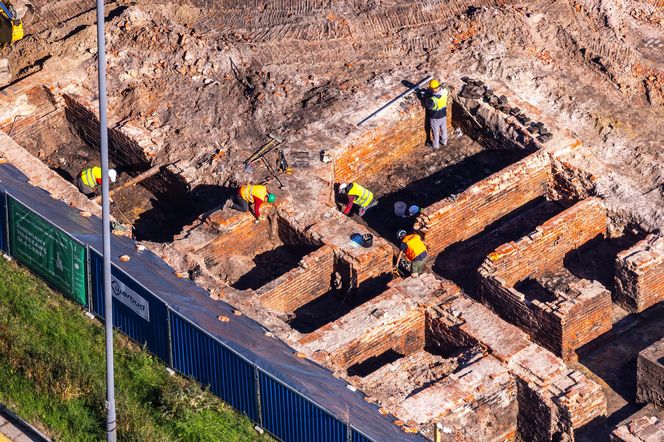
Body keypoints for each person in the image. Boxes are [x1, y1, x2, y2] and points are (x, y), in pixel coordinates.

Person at [425, 79, 450, 150]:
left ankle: (436, 145)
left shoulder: (433, 99)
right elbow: (447, 89)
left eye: (431, 88)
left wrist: (426, 97)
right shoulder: (445, 91)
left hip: (435, 117)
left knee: (435, 131)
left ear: (433, 88)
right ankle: (444, 141)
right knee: (443, 128)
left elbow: (429, 106)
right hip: (443, 114)